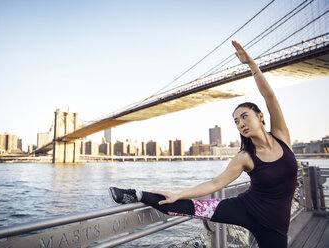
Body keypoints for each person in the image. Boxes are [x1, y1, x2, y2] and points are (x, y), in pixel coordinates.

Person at [108, 41, 297, 248]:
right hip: (246, 208)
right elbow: (216, 184)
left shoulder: (281, 136)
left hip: (276, 226)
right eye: (236, 121)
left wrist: (251, 64)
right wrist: (180, 193)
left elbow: (269, 96)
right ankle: (136, 194)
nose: (241, 123)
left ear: (260, 116)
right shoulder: (245, 156)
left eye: (244, 117)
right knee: (186, 206)